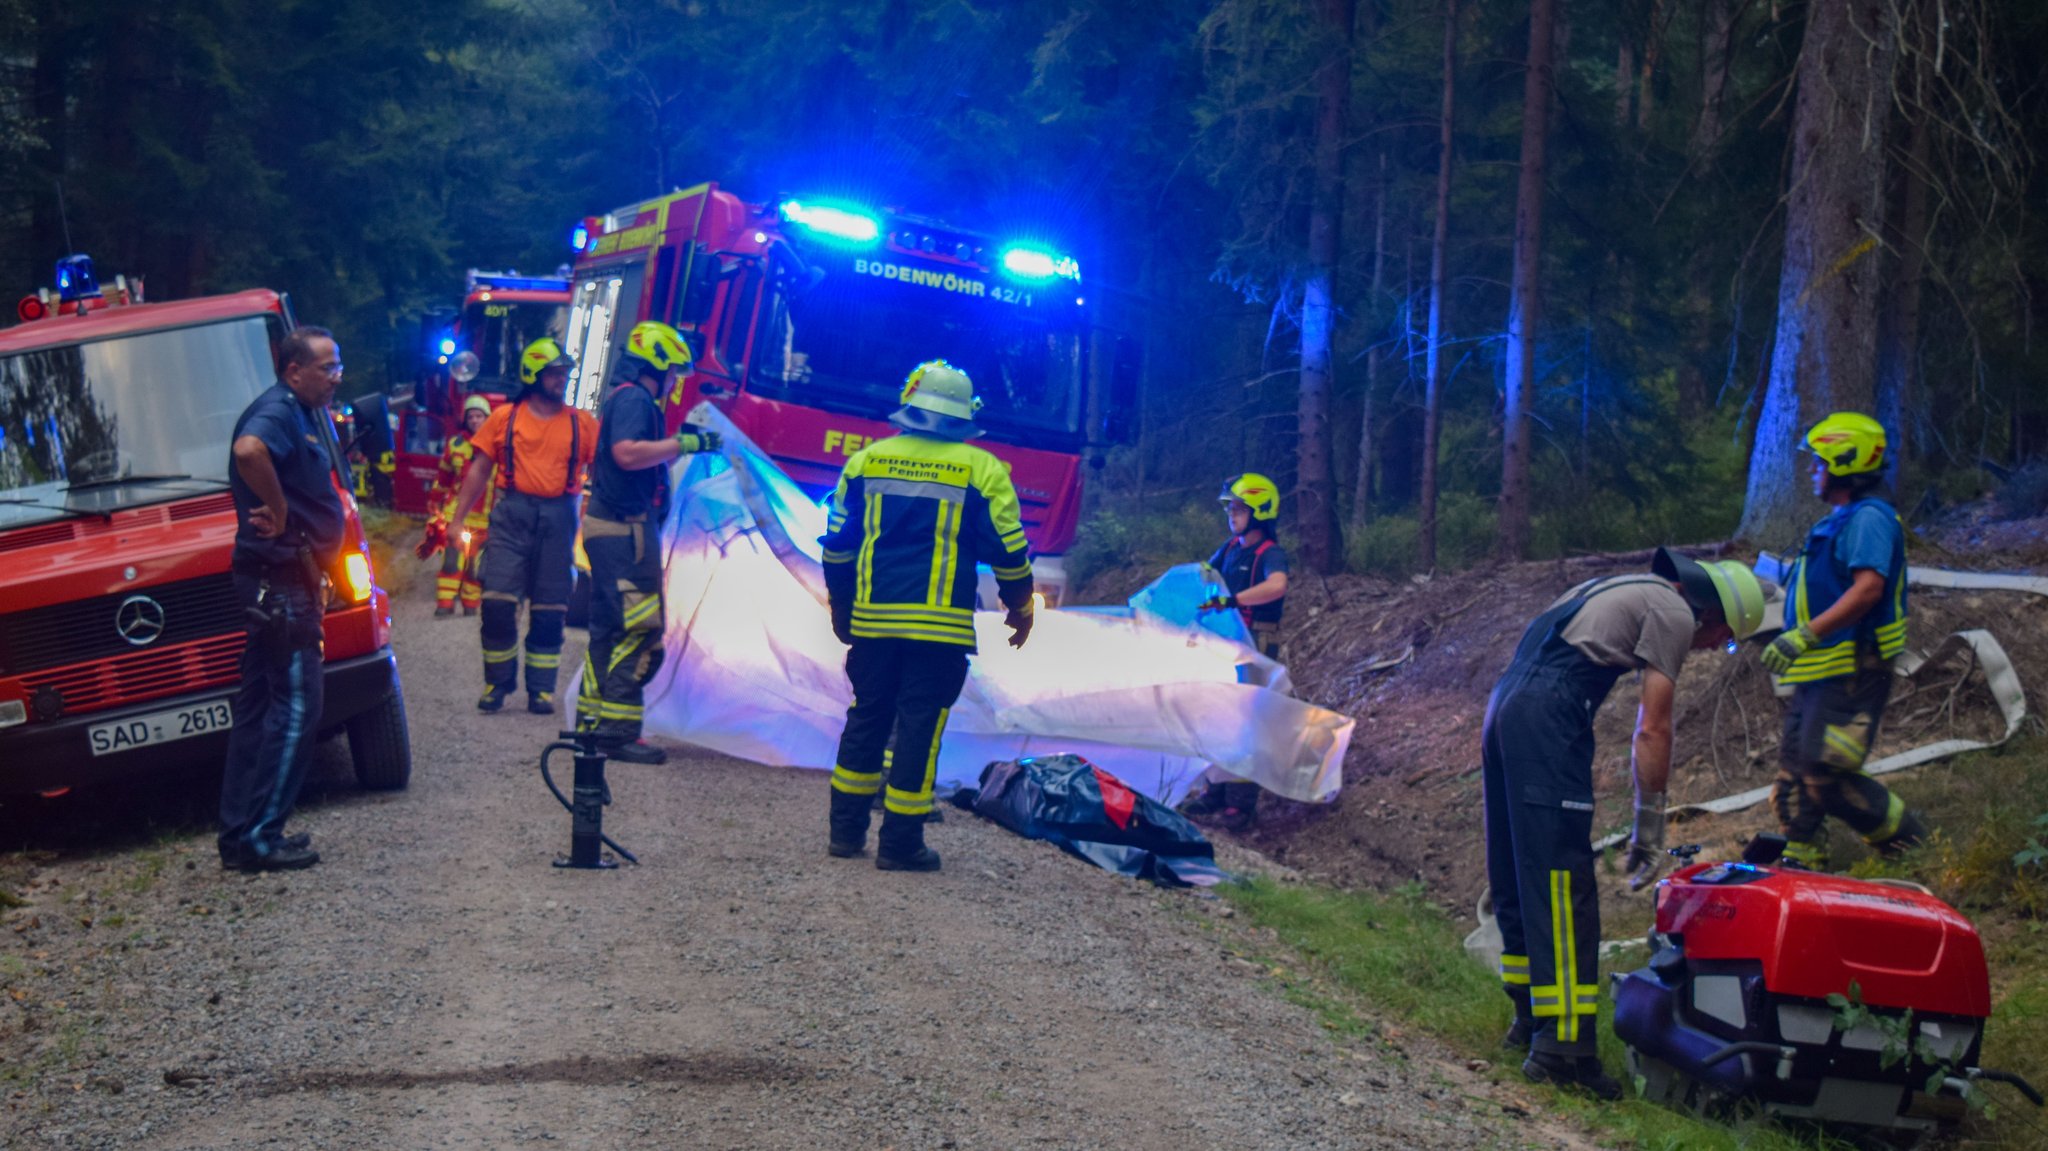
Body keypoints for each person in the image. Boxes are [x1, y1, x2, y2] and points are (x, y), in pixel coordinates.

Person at [1483, 547, 1768, 1098]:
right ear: (1713, 613)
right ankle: (1564, 1051)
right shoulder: (1675, 611)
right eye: (1726, 638)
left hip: (1506, 706)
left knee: (1520, 871)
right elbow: (1652, 728)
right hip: (1547, 711)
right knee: (1564, 882)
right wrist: (1650, 823)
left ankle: (1529, 1019)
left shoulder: (1623, 585)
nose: (1712, 649)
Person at [820, 360, 1034, 871]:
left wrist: (843, 609)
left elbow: (838, 548)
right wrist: (1021, 605)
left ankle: (845, 834)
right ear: (963, 416)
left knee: (866, 717)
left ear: (910, 405)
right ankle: (900, 844)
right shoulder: (982, 469)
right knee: (919, 727)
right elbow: (1008, 549)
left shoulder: (866, 461)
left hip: (872, 621)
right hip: (940, 630)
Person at [1759, 412, 1927, 869]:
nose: (1813, 470)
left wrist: (1804, 635)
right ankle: (1802, 861)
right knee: (1795, 774)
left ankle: (1910, 844)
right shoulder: (1842, 518)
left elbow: (1868, 588)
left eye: (1818, 462)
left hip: (1855, 666)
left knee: (1824, 771)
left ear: (1843, 461)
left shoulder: (1870, 519)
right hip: (1824, 669)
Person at [219, 326, 349, 872]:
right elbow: (249, 450)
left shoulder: (299, 412)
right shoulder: (277, 410)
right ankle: (259, 837)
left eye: (339, 365)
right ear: (294, 371)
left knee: (255, 710)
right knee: (297, 708)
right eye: (327, 367)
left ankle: (241, 835)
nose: (337, 377)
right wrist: (277, 508)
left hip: (280, 579)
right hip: (280, 584)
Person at [575, 321, 722, 764]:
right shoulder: (636, 399)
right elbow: (626, 453)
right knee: (637, 629)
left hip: (611, 528)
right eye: (673, 373)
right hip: (623, 532)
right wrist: (683, 444)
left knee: (606, 629)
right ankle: (617, 733)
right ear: (654, 365)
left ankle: (591, 725)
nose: (675, 383)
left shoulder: (626, 397)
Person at [445, 338, 598, 715]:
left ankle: (540, 691)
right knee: (497, 603)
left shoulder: (583, 424)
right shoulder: (504, 418)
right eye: (554, 373)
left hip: (559, 521)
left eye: (564, 373)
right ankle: (497, 684)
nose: (562, 380)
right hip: (512, 517)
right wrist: (458, 518)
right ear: (533, 375)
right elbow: (479, 469)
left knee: (549, 611)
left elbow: (608, 468)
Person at [1181, 472, 1291, 829]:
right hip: (1226, 643)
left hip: (1256, 642)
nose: (1232, 515)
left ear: (1260, 510)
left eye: (1239, 509)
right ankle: (1214, 790)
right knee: (1216, 714)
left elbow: (1278, 585)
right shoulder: (1230, 549)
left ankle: (1241, 804)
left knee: (1247, 722)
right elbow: (1203, 575)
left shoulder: (1270, 553)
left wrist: (1234, 600)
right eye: (1229, 508)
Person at [417, 394, 495, 617]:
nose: (475, 421)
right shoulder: (455, 445)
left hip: (485, 518)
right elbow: (444, 477)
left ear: (487, 418)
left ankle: (471, 605)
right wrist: (434, 499)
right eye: (471, 416)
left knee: (475, 566)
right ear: (465, 419)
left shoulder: (497, 447)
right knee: (451, 561)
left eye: (479, 416)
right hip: (456, 515)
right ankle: (445, 603)